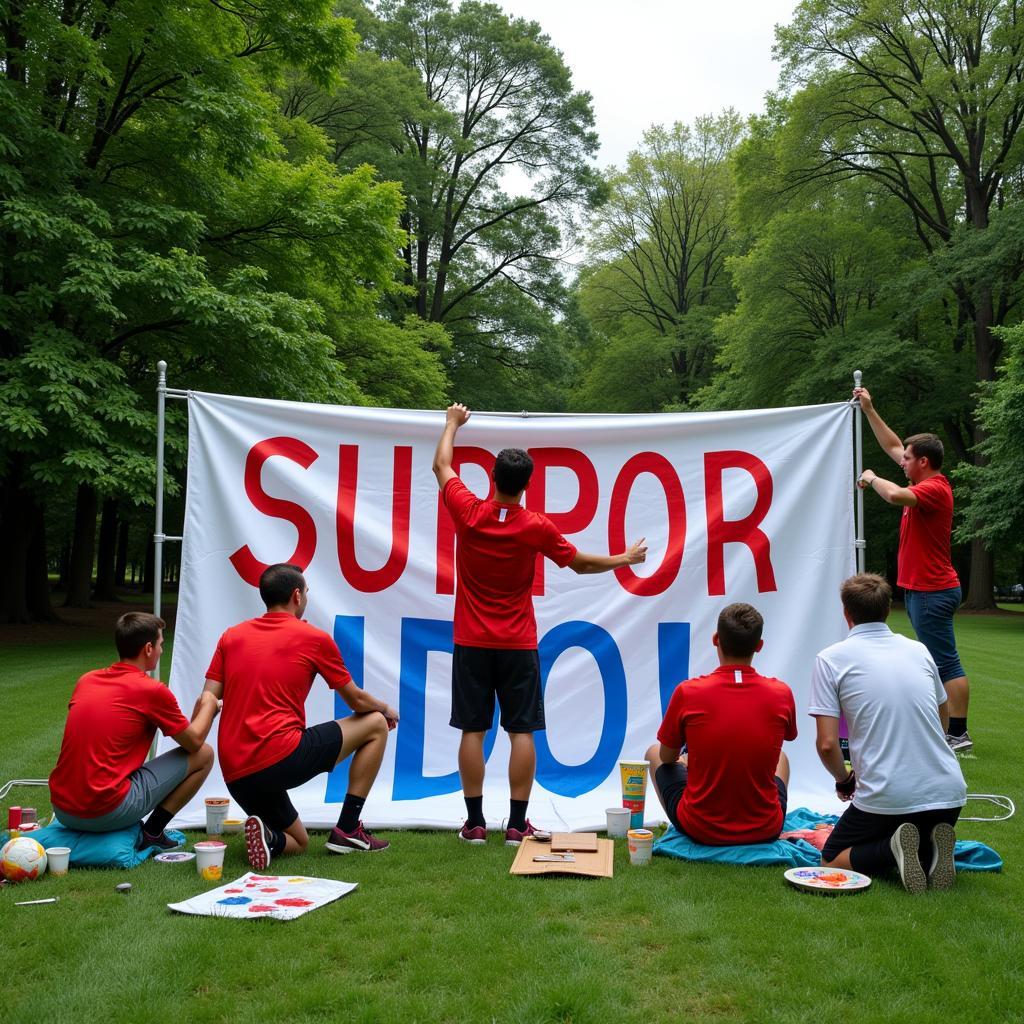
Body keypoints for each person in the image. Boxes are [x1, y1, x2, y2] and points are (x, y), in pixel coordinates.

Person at [433, 403, 648, 845]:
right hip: (516, 643)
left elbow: (441, 464)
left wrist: (453, 422)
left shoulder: (468, 511)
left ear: (493, 479)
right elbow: (581, 565)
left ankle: (474, 825)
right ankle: (516, 825)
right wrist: (624, 558)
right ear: (528, 484)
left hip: (471, 642)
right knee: (521, 731)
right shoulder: (534, 526)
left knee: (472, 730)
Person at [201, 563, 399, 869]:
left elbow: (208, 697)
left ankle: (270, 838)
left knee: (299, 842)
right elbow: (356, 700)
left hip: (236, 771)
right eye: (306, 592)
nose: (306, 596)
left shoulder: (231, 636)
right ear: (297, 595)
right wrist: (385, 709)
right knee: (374, 724)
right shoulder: (312, 637)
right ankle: (348, 829)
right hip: (280, 757)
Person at [809, 573, 966, 893]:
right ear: (887, 610)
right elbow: (943, 718)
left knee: (829, 859)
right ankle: (927, 850)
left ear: (846, 612)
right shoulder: (919, 651)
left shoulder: (830, 658)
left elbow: (827, 745)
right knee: (914, 831)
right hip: (949, 793)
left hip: (887, 796)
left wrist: (843, 779)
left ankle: (893, 850)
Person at [854, 385, 972, 752]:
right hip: (927, 589)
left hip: (932, 591)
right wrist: (869, 410)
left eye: (907, 458)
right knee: (939, 660)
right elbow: (892, 446)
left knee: (944, 662)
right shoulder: (922, 477)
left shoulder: (934, 488)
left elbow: (892, 496)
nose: (901, 460)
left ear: (923, 461)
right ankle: (950, 731)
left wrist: (871, 477)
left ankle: (957, 734)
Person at [49, 612, 217, 849]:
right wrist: (209, 706)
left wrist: (198, 718)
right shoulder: (151, 690)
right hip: (106, 811)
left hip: (63, 809)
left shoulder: (86, 680)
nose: (161, 651)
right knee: (206, 755)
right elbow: (194, 745)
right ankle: (153, 832)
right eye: (161, 644)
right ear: (148, 648)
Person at [645, 603, 796, 846]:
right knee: (783, 758)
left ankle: (685, 823)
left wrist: (687, 760)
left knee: (654, 752)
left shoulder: (688, 692)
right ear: (759, 646)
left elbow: (667, 755)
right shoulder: (782, 692)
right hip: (765, 827)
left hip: (702, 828)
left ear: (716, 639)